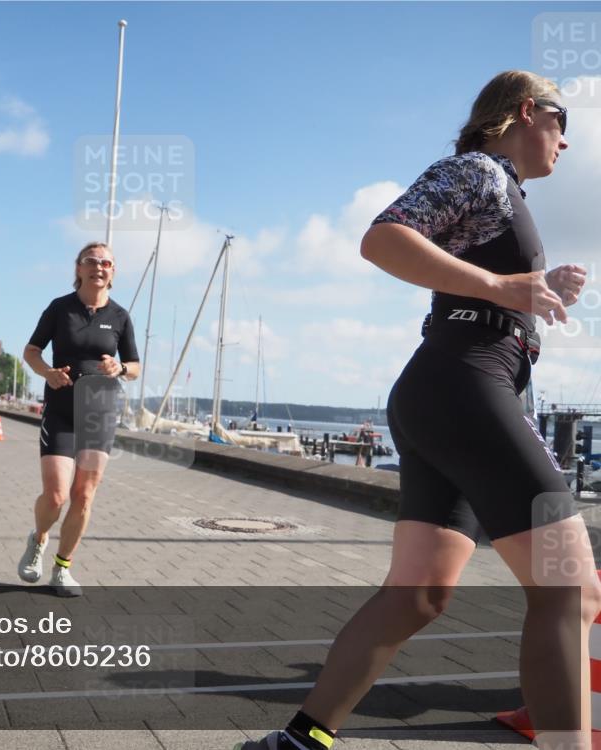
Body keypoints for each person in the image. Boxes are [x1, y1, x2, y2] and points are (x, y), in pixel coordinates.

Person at [235, 71, 598, 750]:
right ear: (527, 111)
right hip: (466, 385)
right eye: (562, 121)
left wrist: (536, 288)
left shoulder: (505, 194)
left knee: (419, 595)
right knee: (571, 590)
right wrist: (502, 284)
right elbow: (382, 239)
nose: (568, 142)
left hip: (446, 392)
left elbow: (489, 280)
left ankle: (297, 742)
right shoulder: (479, 172)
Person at [18, 241, 140, 597]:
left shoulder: (120, 316)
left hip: (99, 415)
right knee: (56, 496)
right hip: (61, 411)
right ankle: (39, 538)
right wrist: (47, 373)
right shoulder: (60, 308)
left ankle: (62, 568)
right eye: (91, 261)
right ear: (79, 269)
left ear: (112, 273)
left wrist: (119, 368)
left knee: (83, 495)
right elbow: (31, 351)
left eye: (106, 263)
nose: (99, 267)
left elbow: (134, 366)